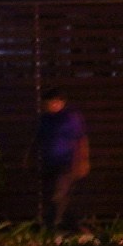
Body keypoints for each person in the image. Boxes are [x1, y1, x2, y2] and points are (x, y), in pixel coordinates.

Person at [37, 93, 90, 232]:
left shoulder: (71, 118)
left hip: (68, 162)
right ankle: (71, 225)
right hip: (50, 163)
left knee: (59, 195)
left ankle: (53, 225)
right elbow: (38, 140)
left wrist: (83, 161)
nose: (52, 105)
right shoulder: (45, 120)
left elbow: (81, 139)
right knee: (61, 196)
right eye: (49, 102)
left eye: (55, 102)